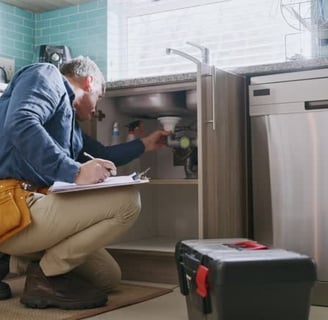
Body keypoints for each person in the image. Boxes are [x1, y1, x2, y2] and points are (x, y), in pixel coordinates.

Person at [0, 56, 171, 309]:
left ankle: (16, 261)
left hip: (37, 205)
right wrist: (74, 172)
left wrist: (145, 144)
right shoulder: (47, 75)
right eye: (99, 97)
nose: (95, 109)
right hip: (12, 202)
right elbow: (21, 123)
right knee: (127, 200)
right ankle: (44, 277)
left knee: (107, 278)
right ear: (89, 82)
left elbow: (106, 154)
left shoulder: (72, 130)